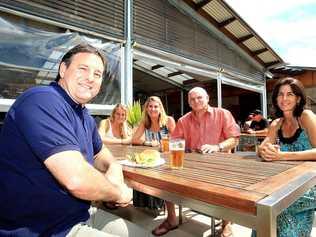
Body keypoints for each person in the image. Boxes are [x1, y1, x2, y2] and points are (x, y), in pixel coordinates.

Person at [0, 44, 150, 237]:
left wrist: (115, 167)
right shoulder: (42, 100)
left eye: (97, 74)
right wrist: (118, 192)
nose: (91, 78)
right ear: (63, 69)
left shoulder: (83, 115)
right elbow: (77, 180)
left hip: (77, 215)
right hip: (42, 229)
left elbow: (101, 154)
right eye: (83, 69)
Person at [152, 87, 240, 237]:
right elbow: (175, 141)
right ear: (188, 102)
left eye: (199, 97)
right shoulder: (183, 120)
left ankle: (226, 223)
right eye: (192, 99)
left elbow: (234, 139)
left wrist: (217, 146)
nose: (196, 101)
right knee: (165, 177)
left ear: (207, 98)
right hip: (192, 166)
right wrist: (165, 146)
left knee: (226, 183)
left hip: (219, 165)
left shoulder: (222, 114)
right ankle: (172, 219)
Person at [254, 77, 316, 237]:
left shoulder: (306, 117)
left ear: (298, 98)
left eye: (289, 94)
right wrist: (265, 150)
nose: (284, 98)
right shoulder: (276, 124)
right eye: (280, 94)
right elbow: (261, 149)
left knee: (277, 207)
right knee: (262, 204)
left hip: (309, 185)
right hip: (282, 184)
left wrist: (282, 156)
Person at [132, 96, 176, 213]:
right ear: (146, 109)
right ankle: (146, 205)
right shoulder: (145, 123)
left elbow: (177, 139)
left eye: (155, 106)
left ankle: (158, 204)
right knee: (139, 169)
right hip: (152, 158)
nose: (152, 109)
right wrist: (148, 143)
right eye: (150, 106)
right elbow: (134, 140)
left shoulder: (168, 121)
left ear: (160, 108)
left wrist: (166, 144)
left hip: (167, 159)